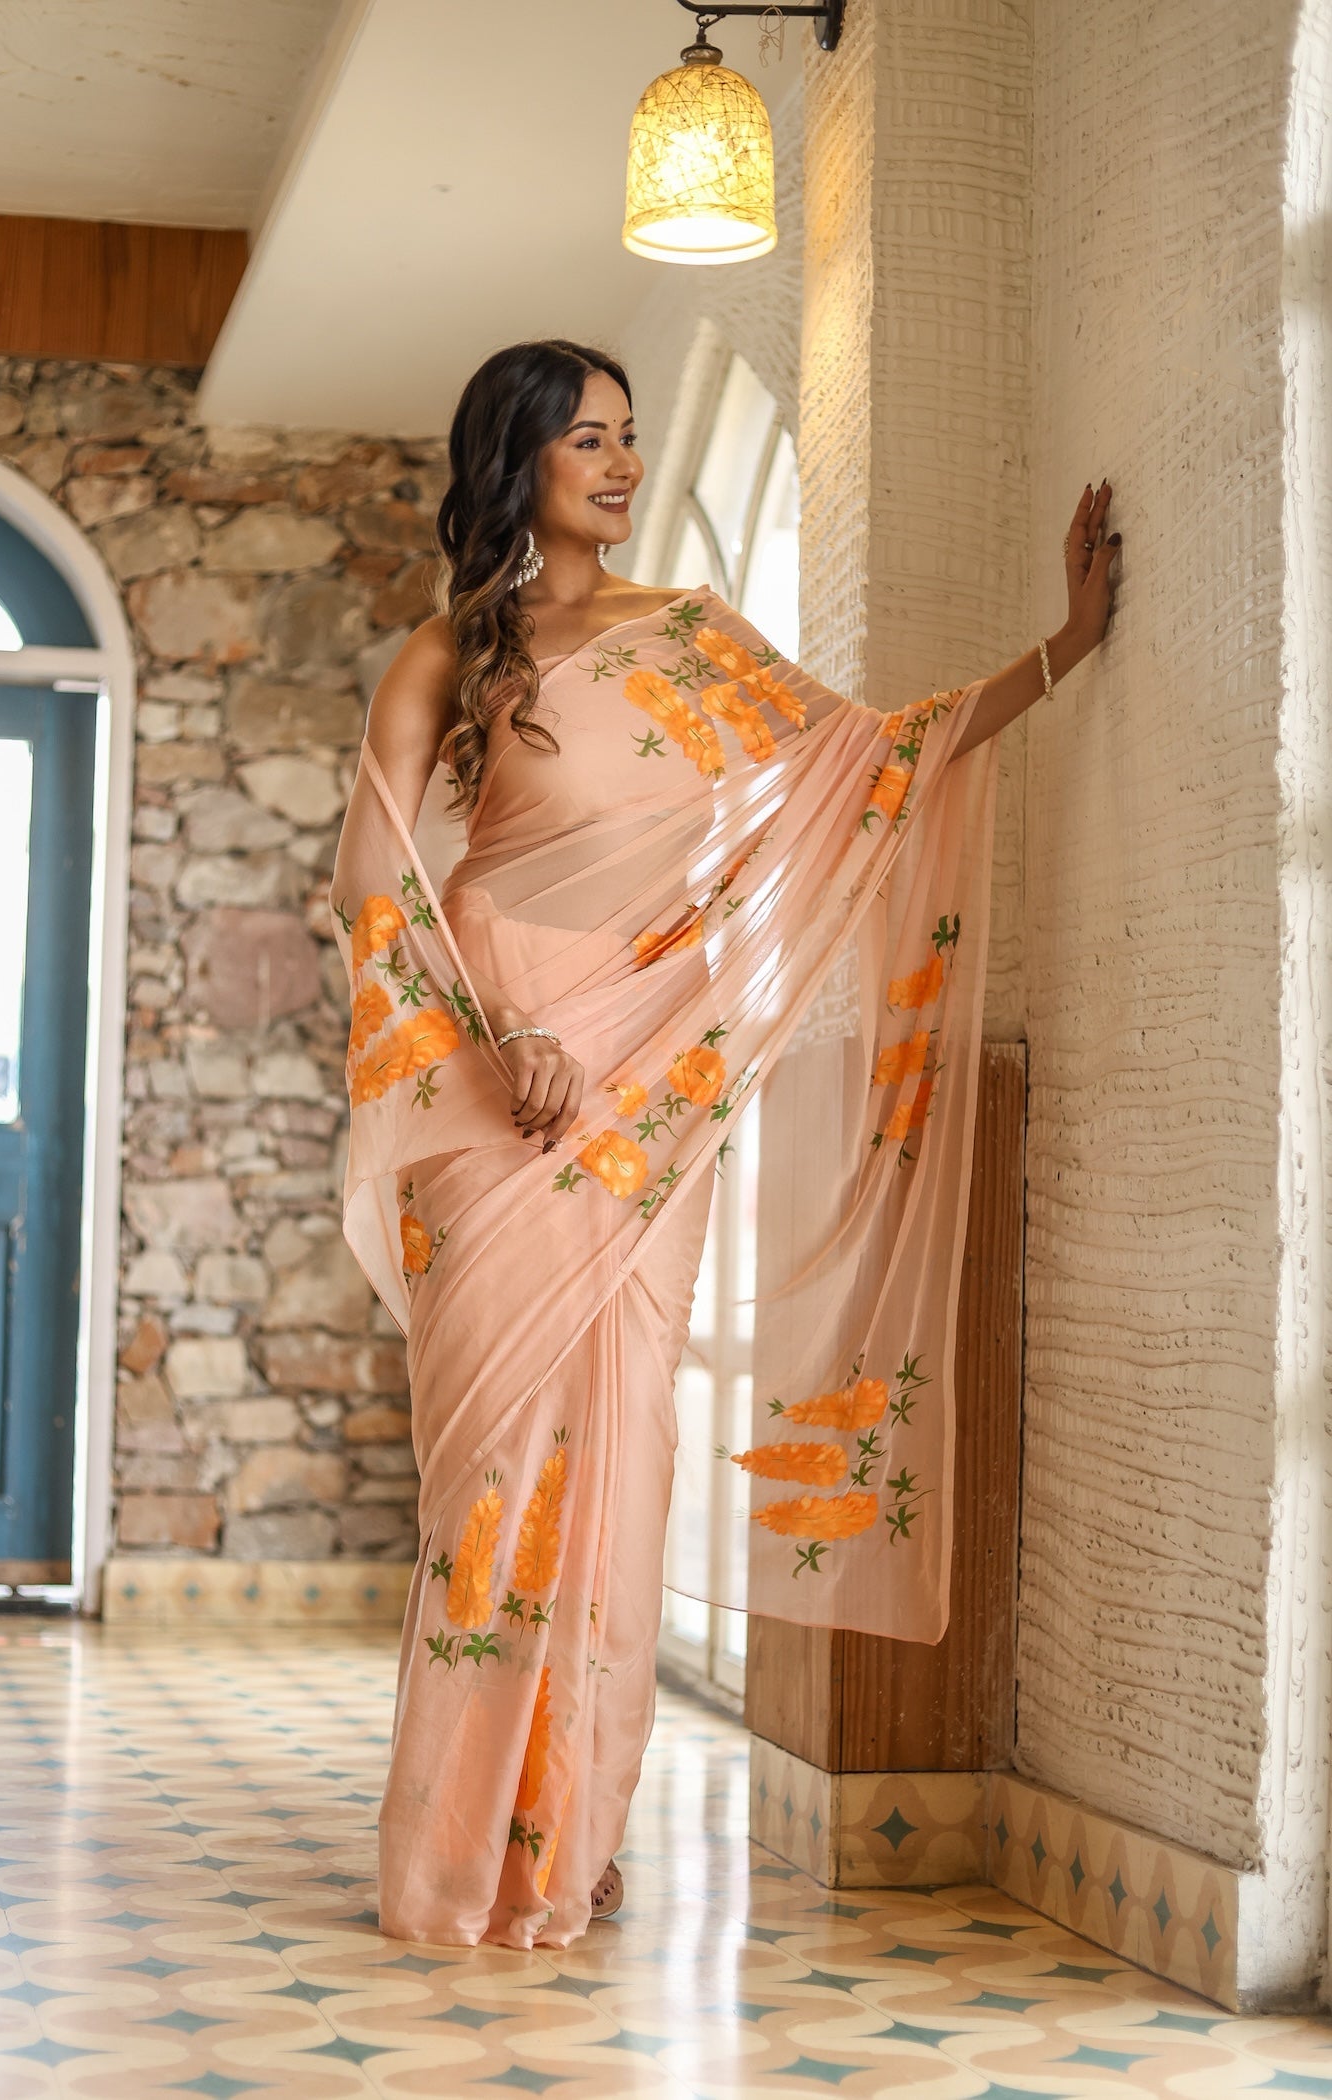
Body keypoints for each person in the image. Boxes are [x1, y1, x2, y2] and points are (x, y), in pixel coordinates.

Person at [330, 338, 1119, 1949]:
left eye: (633, 439)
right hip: (493, 1092)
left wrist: (1064, 652)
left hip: (646, 1097)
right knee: (491, 1471)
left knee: (624, 1455)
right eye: (589, 441)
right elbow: (377, 886)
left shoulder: (690, 642)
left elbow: (867, 764)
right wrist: (497, 1034)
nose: (621, 467)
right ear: (517, 462)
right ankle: (452, 1851)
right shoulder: (440, 661)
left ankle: (567, 1832)